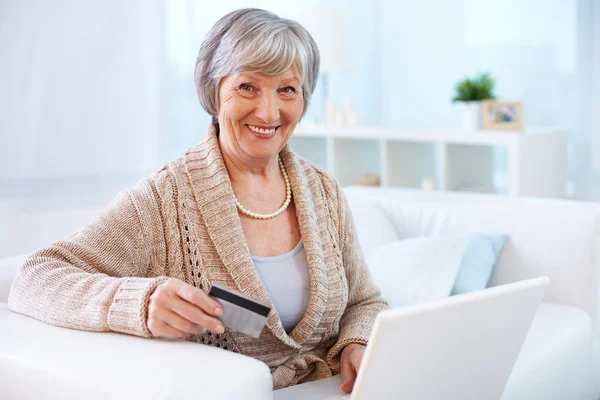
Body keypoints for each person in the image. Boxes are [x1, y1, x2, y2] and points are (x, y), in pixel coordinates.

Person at [8, 8, 388, 392]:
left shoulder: (323, 190)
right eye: (247, 87)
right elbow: (36, 277)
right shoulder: (162, 200)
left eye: (286, 89)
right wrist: (140, 302)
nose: (269, 111)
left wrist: (358, 341)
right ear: (213, 90)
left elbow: (365, 302)